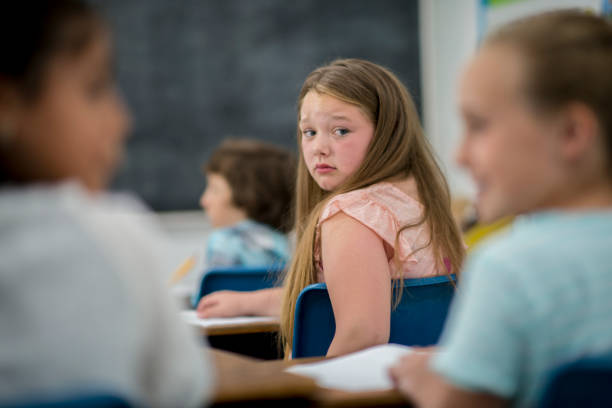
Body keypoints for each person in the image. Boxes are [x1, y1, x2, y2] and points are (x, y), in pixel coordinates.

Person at [389, 10, 612, 408]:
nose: (459, 156)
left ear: (572, 132)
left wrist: (428, 382)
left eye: (478, 125)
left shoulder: (510, 268)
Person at [0, 1, 213, 406]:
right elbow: (182, 389)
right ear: (6, 104)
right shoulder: (116, 235)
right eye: (94, 88)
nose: (122, 119)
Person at [199, 138, 294, 269]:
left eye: (215, 189)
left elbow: (217, 289)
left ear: (248, 198)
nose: (204, 201)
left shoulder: (223, 242)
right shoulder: (285, 248)